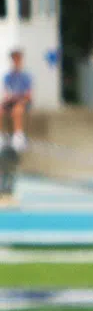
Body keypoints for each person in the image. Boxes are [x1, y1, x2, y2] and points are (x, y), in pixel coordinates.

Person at [1, 50, 29, 205]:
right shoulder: (8, 77)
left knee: (18, 109)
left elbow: (28, 95)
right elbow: (6, 93)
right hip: (11, 101)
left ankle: (19, 134)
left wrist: (19, 98)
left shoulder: (25, 77)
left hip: (21, 103)